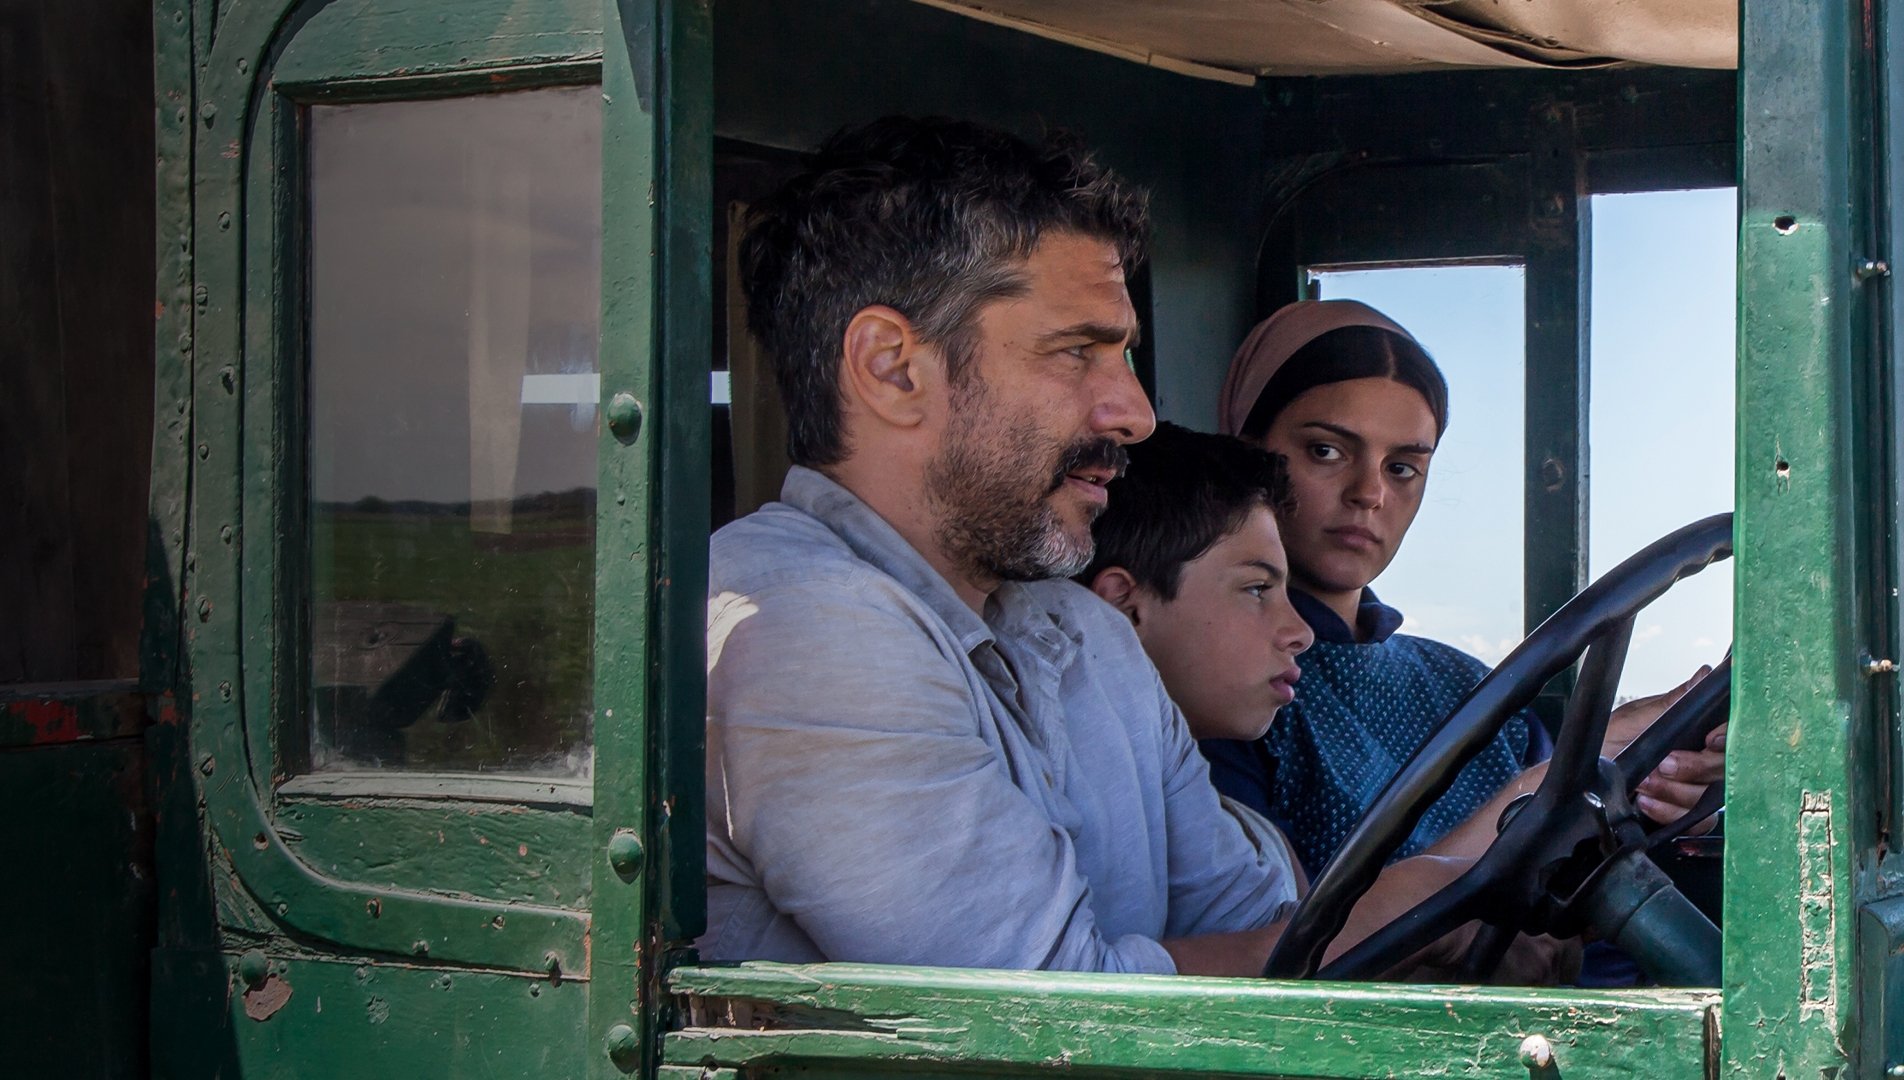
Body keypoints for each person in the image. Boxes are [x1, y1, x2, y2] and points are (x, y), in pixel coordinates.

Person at [701, 116, 1542, 979]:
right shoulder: (805, 630)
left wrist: (1437, 911)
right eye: (1078, 353)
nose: (1135, 415)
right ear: (892, 368)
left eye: (1125, 358)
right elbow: (1043, 1017)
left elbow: (1262, 927)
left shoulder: (1085, 635)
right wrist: (1434, 890)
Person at [1197, 299, 1724, 880]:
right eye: (1326, 451)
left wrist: (1657, 800)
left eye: (1402, 467)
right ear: (1248, 451)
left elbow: (1572, 874)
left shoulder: (1474, 689)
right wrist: (1544, 788)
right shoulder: (1214, 691)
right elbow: (1279, 927)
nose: (1369, 493)